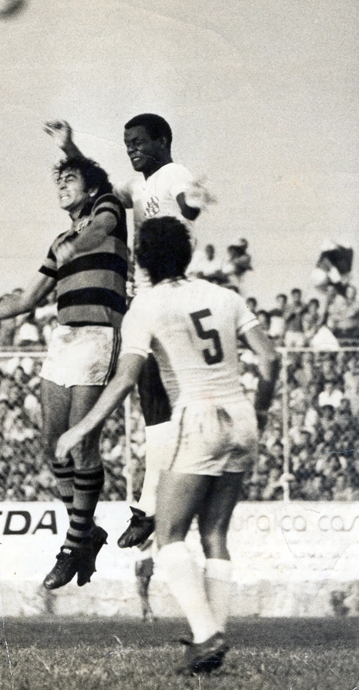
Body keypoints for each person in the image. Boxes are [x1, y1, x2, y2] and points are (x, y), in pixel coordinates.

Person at [56, 217, 278, 675]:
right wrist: (259, 409)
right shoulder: (226, 296)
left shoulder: (148, 305)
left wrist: (82, 428)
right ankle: (211, 646)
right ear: (187, 254)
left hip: (197, 417)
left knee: (168, 533)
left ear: (142, 259)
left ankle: (206, 635)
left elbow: (125, 378)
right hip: (240, 417)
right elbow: (271, 358)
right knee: (215, 534)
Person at [0, 156, 128, 590]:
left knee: (82, 441)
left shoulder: (108, 212)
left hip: (98, 334)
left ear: (90, 189)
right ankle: (87, 533)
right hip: (65, 338)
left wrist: (81, 242)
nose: (62, 186)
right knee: (54, 444)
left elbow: (102, 228)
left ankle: (73, 545)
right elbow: (24, 300)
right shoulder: (60, 240)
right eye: (59, 181)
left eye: (71, 179)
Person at [45, 115, 214, 548]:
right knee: (156, 401)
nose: (132, 149)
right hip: (151, 300)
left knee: (155, 398)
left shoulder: (172, 173)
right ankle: (150, 504)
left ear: (163, 140)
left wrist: (194, 201)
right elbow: (101, 186)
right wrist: (70, 148)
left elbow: (188, 199)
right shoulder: (138, 188)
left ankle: (150, 505)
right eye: (127, 143)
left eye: (139, 142)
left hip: (163, 296)